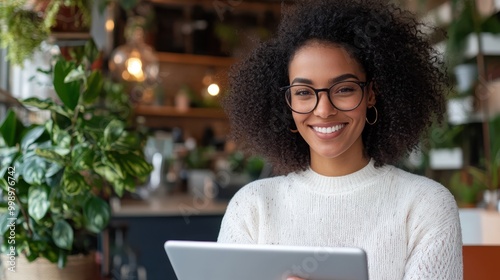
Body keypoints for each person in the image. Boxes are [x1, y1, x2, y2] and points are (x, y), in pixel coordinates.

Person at [217, 0, 463, 279]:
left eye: (344, 89)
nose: (323, 110)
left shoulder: (425, 204)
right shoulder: (252, 206)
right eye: (304, 92)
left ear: (371, 94)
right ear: (286, 103)